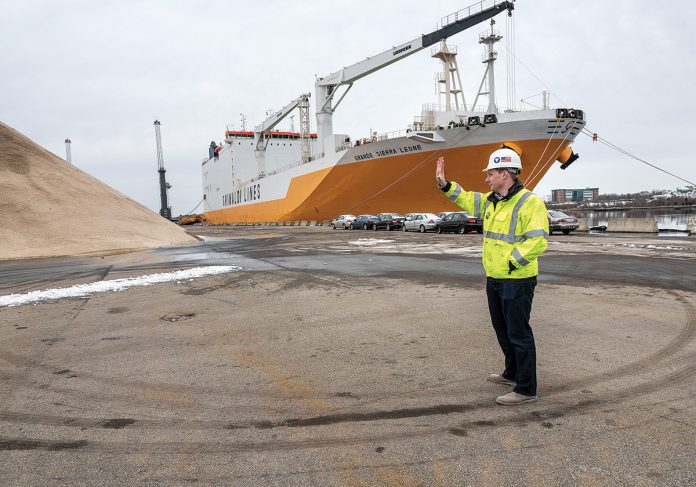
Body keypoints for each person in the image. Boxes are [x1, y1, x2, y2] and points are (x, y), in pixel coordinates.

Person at [435, 144, 549, 406]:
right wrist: (445, 185)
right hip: (495, 279)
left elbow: (538, 241)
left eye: (490, 173)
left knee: (519, 333)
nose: (486, 178)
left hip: (517, 280)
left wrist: (511, 263)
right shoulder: (491, 201)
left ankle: (526, 389)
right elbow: (465, 198)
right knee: (502, 330)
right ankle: (511, 373)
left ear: (505, 174)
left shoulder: (530, 202)